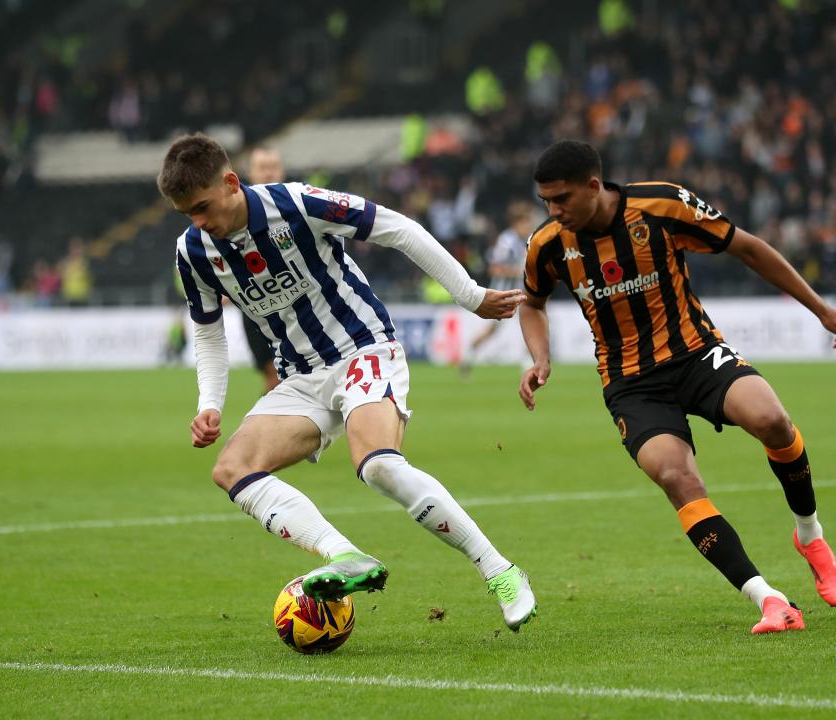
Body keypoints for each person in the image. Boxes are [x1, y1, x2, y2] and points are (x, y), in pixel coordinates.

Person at [159, 132, 537, 631]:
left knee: (377, 465)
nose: (199, 222)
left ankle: (500, 570)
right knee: (231, 468)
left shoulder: (297, 203)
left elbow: (397, 227)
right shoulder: (194, 251)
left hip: (363, 348)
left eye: (203, 207)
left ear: (231, 182)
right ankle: (345, 556)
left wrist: (469, 295)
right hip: (300, 377)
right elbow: (207, 333)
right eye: (188, 214)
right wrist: (210, 403)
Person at [519, 139, 836, 634]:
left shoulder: (663, 206)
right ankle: (769, 599)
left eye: (561, 199)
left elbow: (747, 248)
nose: (553, 212)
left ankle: (811, 537)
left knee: (772, 420)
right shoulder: (548, 244)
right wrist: (541, 357)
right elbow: (532, 302)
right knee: (676, 477)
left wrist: (822, 311)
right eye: (546, 202)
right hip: (630, 383)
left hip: (695, 353)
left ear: (594, 186)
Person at [461, 201, 533, 374]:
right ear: (517, 223)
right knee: (491, 331)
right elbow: (494, 268)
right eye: (526, 222)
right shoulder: (506, 242)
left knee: (528, 323)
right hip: (502, 293)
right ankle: (467, 357)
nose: (528, 225)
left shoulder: (525, 240)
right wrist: (519, 271)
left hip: (518, 293)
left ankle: (528, 366)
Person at [240, 146, 285, 392]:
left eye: (272, 167)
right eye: (262, 167)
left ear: (282, 171)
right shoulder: (234, 215)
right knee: (273, 378)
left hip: (301, 307)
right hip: (257, 309)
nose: (268, 173)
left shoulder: (299, 208)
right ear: (250, 172)